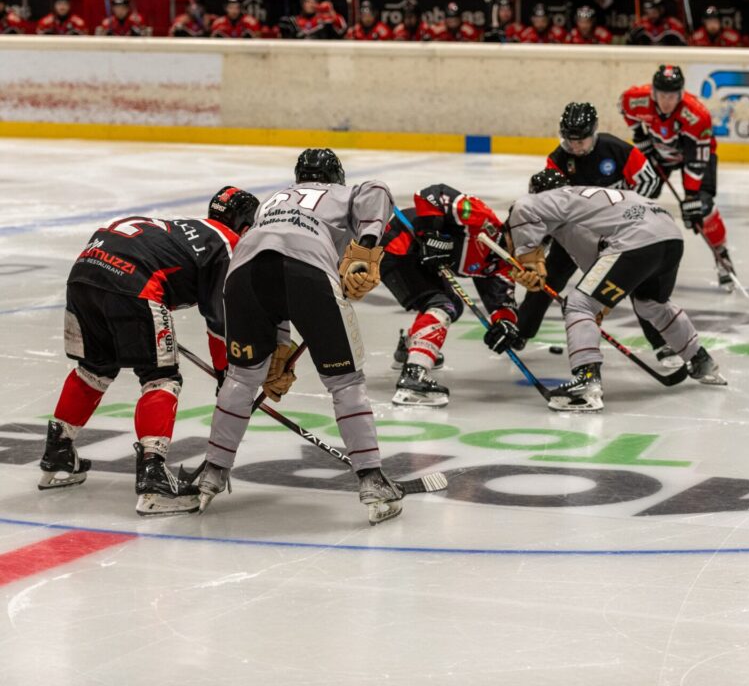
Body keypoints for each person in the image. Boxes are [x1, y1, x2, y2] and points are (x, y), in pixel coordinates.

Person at [190, 149, 405, 524]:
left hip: (243, 275)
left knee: (241, 378)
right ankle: (371, 478)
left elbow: (274, 266)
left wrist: (278, 346)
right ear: (336, 176)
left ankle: (212, 470)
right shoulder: (341, 194)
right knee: (345, 380)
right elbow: (378, 190)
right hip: (307, 271)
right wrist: (367, 247)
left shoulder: (272, 202)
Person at [37, 187, 259, 516]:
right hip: (133, 282)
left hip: (84, 273)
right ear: (245, 226)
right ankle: (154, 479)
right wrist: (227, 373)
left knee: (96, 368)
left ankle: (58, 453)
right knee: (161, 377)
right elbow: (219, 319)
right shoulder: (228, 243)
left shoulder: (189, 226)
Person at [503, 170, 725, 412]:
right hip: (669, 236)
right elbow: (600, 265)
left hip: (638, 237)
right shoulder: (583, 203)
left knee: (579, 304)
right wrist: (599, 304)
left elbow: (522, 208)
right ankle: (701, 360)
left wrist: (527, 260)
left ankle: (586, 384)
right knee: (650, 303)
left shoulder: (553, 202)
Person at [517, 102, 686, 367]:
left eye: (580, 140)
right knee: (549, 277)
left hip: (620, 233)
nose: (574, 146)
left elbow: (649, 181)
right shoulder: (559, 159)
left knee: (637, 283)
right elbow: (549, 202)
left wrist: (628, 207)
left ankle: (662, 344)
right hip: (575, 233)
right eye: (569, 140)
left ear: (594, 132)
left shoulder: (615, 149)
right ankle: (522, 331)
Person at [379, 184, 516, 407]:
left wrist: (505, 325)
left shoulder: (503, 264)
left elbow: (501, 301)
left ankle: (409, 348)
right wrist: (430, 233)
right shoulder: (481, 218)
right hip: (399, 244)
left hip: (419, 260)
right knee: (442, 306)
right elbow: (431, 194)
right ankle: (413, 376)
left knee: (453, 304)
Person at [619, 65, 739, 290]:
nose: (666, 101)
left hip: (693, 155)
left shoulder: (696, 115)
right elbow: (623, 107)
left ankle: (721, 255)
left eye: (672, 96)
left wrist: (692, 195)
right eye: (662, 95)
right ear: (653, 92)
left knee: (702, 207)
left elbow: (698, 159)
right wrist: (639, 136)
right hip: (660, 152)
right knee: (639, 194)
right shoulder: (636, 99)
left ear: (681, 94)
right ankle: (628, 253)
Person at [280, 0, 346, 39]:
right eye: (308, 2)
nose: (311, 5)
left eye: (314, 2)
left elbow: (342, 29)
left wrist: (331, 11)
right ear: (302, 3)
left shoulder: (324, 20)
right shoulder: (293, 21)